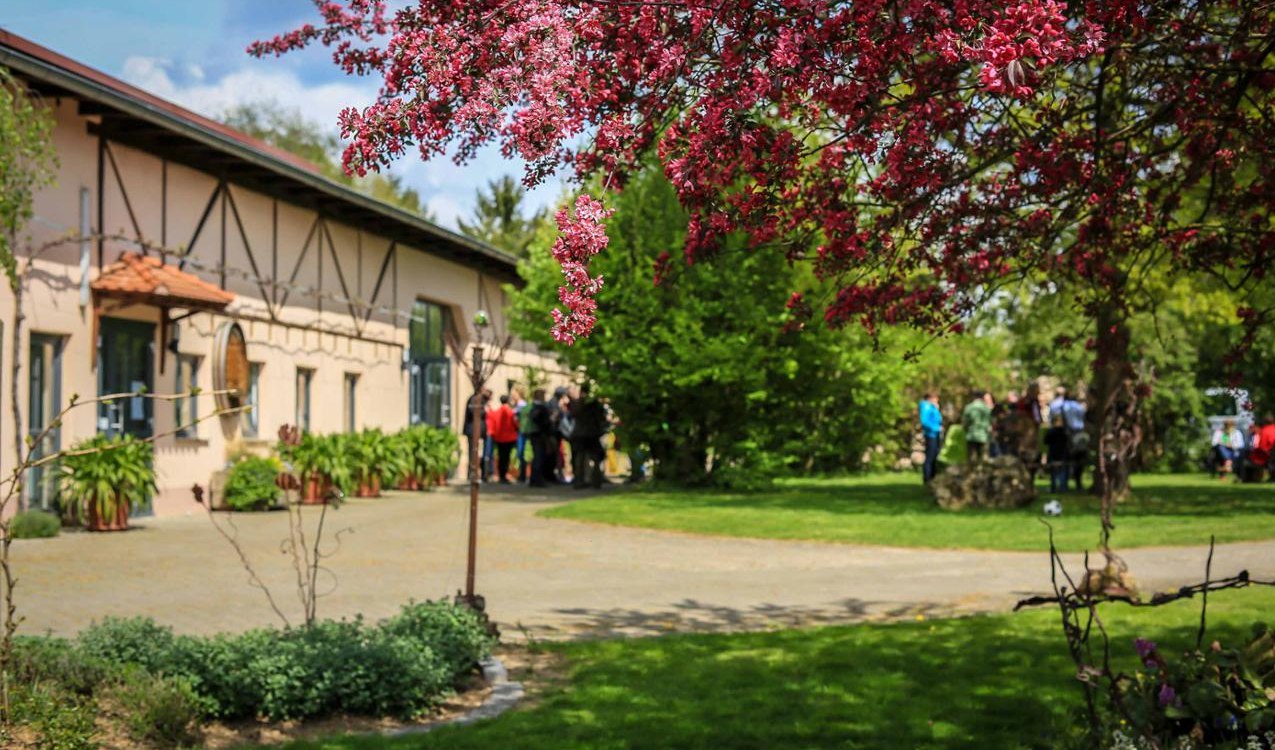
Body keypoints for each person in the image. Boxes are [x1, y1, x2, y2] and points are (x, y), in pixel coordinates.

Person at [570, 384, 608, 489]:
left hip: (580, 433)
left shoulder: (578, 403)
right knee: (595, 458)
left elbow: (573, 415)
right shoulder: (594, 404)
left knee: (580, 458)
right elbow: (601, 418)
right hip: (592, 433)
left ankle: (579, 481)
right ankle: (596, 481)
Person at [487, 394, 519, 484]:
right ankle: (504, 475)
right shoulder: (509, 411)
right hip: (508, 438)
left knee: (501, 457)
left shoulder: (497, 411)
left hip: (499, 437)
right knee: (506, 457)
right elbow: (515, 423)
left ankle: (501, 475)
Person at [461, 389, 491, 481]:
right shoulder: (475, 399)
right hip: (474, 430)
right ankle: (473, 473)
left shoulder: (477, 399)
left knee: (480, 452)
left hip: (479, 431)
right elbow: (473, 412)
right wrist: (485, 410)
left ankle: (481, 474)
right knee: (473, 452)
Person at [526, 389, 553, 487]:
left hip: (536, 434)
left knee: (538, 457)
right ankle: (537, 479)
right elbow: (540, 420)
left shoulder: (533, 406)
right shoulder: (540, 407)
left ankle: (534, 479)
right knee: (539, 457)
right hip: (539, 435)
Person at [918, 392, 943, 482]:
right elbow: (924, 421)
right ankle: (927, 479)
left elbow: (938, 419)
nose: (937, 400)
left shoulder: (932, 407)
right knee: (930, 456)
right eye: (936, 398)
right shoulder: (926, 406)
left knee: (934, 456)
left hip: (935, 434)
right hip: (931, 434)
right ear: (930, 398)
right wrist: (936, 428)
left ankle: (933, 478)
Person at [962, 390, 993, 464]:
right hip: (984, 436)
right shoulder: (986, 408)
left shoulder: (969, 407)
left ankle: (972, 474)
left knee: (972, 460)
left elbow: (965, 423)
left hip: (971, 435)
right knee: (984, 460)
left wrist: (966, 430)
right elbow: (990, 422)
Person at [1044, 414, 1071, 493]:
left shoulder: (1051, 431)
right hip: (1063, 452)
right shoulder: (1065, 431)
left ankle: (1054, 487)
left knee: (1054, 471)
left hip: (1053, 451)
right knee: (1062, 470)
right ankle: (1063, 487)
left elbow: (1046, 441)